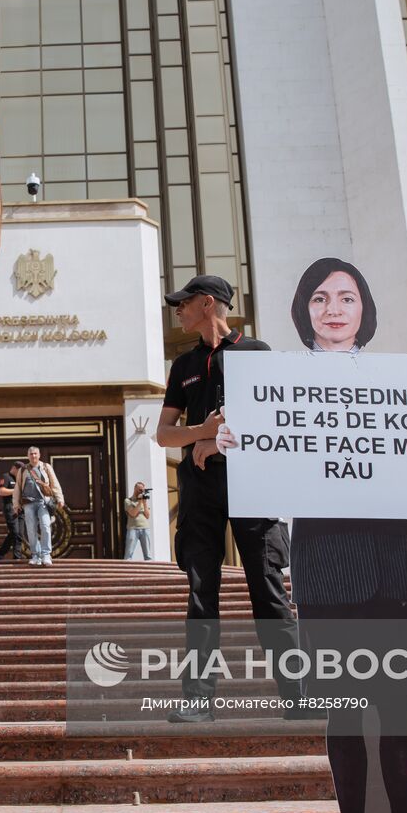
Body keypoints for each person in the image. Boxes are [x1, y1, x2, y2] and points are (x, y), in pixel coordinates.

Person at [220, 257, 407, 813]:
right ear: (303, 309)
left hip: (395, 566)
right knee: (343, 708)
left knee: (397, 708)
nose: (333, 309)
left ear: (365, 309)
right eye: (320, 298)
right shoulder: (273, 387)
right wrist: (241, 442)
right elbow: (270, 468)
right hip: (328, 565)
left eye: (347, 297)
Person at [155, 274, 305, 723]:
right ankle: (198, 700)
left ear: (207, 303)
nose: (177, 310)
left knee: (268, 589)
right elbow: (164, 434)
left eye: (183, 303)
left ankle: (298, 696)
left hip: (252, 483)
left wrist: (217, 441)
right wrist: (202, 433)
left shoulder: (258, 353)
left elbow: (278, 417)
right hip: (200, 489)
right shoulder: (183, 365)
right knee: (202, 593)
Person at [12, 446, 64, 566]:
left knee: (45, 526)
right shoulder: (23, 469)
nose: (33, 456)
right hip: (28, 503)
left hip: (43, 502)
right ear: (28, 456)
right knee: (31, 529)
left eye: (35, 454)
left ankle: (46, 554)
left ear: (39, 455)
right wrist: (16, 504)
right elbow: (17, 488)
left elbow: (54, 483)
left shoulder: (46, 467)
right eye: (31, 454)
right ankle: (35, 555)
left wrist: (60, 498)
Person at [0, 460, 26, 560]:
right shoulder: (6, 477)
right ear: (14, 468)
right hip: (10, 508)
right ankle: (5, 554)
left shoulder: (19, 479)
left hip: (21, 509)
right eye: (19, 471)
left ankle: (16, 557)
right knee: (15, 532)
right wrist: (16, 490)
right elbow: (1, 491)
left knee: (19, 533)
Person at [122, 481, 153, 560]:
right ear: (135, 489)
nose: (142, 492)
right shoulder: (128, 501)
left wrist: (145, 503)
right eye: (140, 490)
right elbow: (133, 513)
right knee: (129, 553)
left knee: (148, 555)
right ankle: (127, 570)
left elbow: (147, 515)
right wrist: (139, 503)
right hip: (133, 528)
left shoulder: (143, 501)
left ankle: (150, 569)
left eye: (143, 490)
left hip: (145, 528)